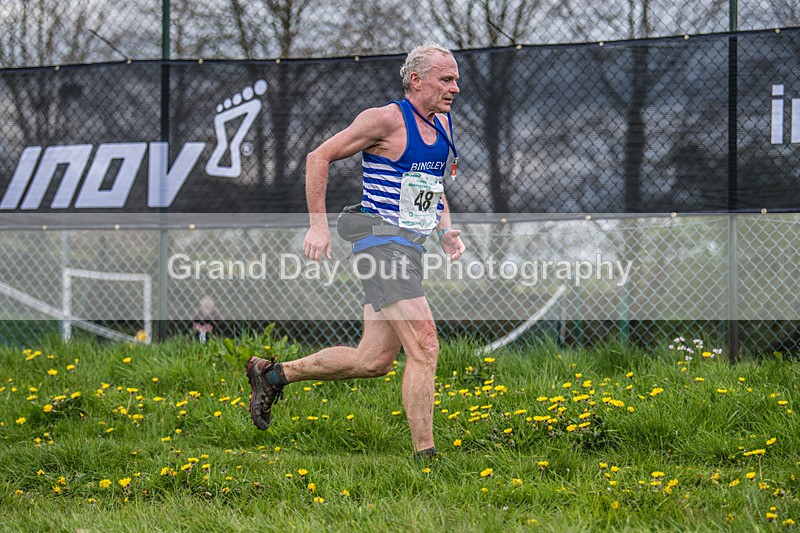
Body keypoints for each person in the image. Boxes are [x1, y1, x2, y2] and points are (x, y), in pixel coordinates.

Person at [247, 43, 466, 459]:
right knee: (426, 344)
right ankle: (427, 457)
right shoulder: (383, 120)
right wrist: (317, 225)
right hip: (380, 245)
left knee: (373, 360)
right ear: (417, 80)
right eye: (446, 78)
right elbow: (319, 156)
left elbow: (433, 187)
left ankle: (273, 375)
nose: (455, 87)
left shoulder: (443, 122)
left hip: (410, 247)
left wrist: (445, 231)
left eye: (455, 79)